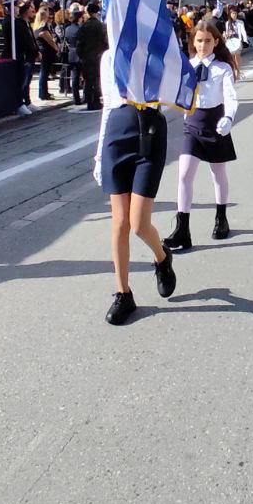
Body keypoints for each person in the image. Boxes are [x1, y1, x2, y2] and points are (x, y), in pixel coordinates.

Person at [93, 51, 178, 327]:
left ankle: (162, 257)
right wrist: (99, 154)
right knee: (120, 222)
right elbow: (108, 103)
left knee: (139, 224)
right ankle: (123, 293)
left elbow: (173, 89)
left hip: (149, 132)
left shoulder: (154, 49)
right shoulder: (109, 57)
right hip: (117, 133)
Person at [164, 19, 239, 249]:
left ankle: (221, 218)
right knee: (184, 174)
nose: (203, 45)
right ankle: (182, 229)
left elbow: (230, 97)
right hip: (192, 125)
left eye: (207, 41)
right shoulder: (187, 65)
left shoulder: (222, 68)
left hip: (216, 124)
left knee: (218, 173)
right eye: (199, 40)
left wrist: (228, 117)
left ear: (216, 42)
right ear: (193, 42)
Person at [77, 1, 108, 111]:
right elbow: (106, 42)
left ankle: (89, 101)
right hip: (99, 56)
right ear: (97, 12)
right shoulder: (101, 26)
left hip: (87, 56)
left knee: (88, 80)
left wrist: (81, 55)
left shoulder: (83, 26)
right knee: (97, 79)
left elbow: (79, 43)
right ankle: (96, 100)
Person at [13, 0, 38, 116]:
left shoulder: (27, 24)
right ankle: (21, 104)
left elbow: (32, 39)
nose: (34, 12)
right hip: (24, 57)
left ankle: (27, 101)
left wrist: (36, 51)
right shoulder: (19, 24)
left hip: (30, 56)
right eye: (31, 9)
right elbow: (26, 41)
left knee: (27, 81)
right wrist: (33, 51)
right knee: (23, 81)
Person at [34, 6, 60, 100]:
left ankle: (44, 92)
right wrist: (57, 49)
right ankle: (43, 93)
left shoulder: (37, 27)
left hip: (44, 51)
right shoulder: (43, 28)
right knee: (44, 73)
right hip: (46, 52)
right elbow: (50, 40)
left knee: (44, 73)